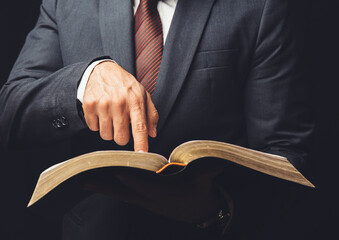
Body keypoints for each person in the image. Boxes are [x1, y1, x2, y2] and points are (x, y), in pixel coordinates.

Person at [0, 0, 313, 239]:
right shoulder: (66, 3)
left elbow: (287, 155)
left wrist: (216, 209)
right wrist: (82, 81)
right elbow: (10, 114)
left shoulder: (260, 8)